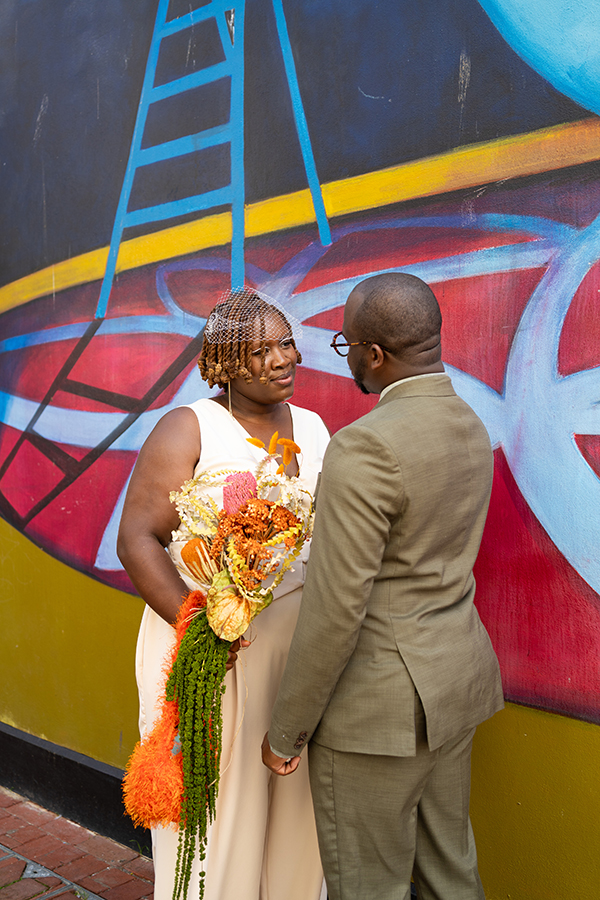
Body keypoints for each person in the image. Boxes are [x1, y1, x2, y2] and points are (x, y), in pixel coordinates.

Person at [262, 272, 504, 900]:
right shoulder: (471, 426)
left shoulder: (364, 447)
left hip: (377, 714)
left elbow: (337, 608)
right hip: (454, 688)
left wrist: (287, 730)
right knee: (450, 875)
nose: (348, 362)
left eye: (347, 347)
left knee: (371, 887)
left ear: (375, 354)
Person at [117, 288, 329, 900]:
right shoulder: (188, 428)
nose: (283, 359)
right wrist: (199, 621)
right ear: (225, 363)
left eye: (286, 343)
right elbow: (138, 539)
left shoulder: (314, 430)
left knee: (294, 812)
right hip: (208, 649)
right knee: (215, 815)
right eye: (261, 351)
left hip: (294, 654)